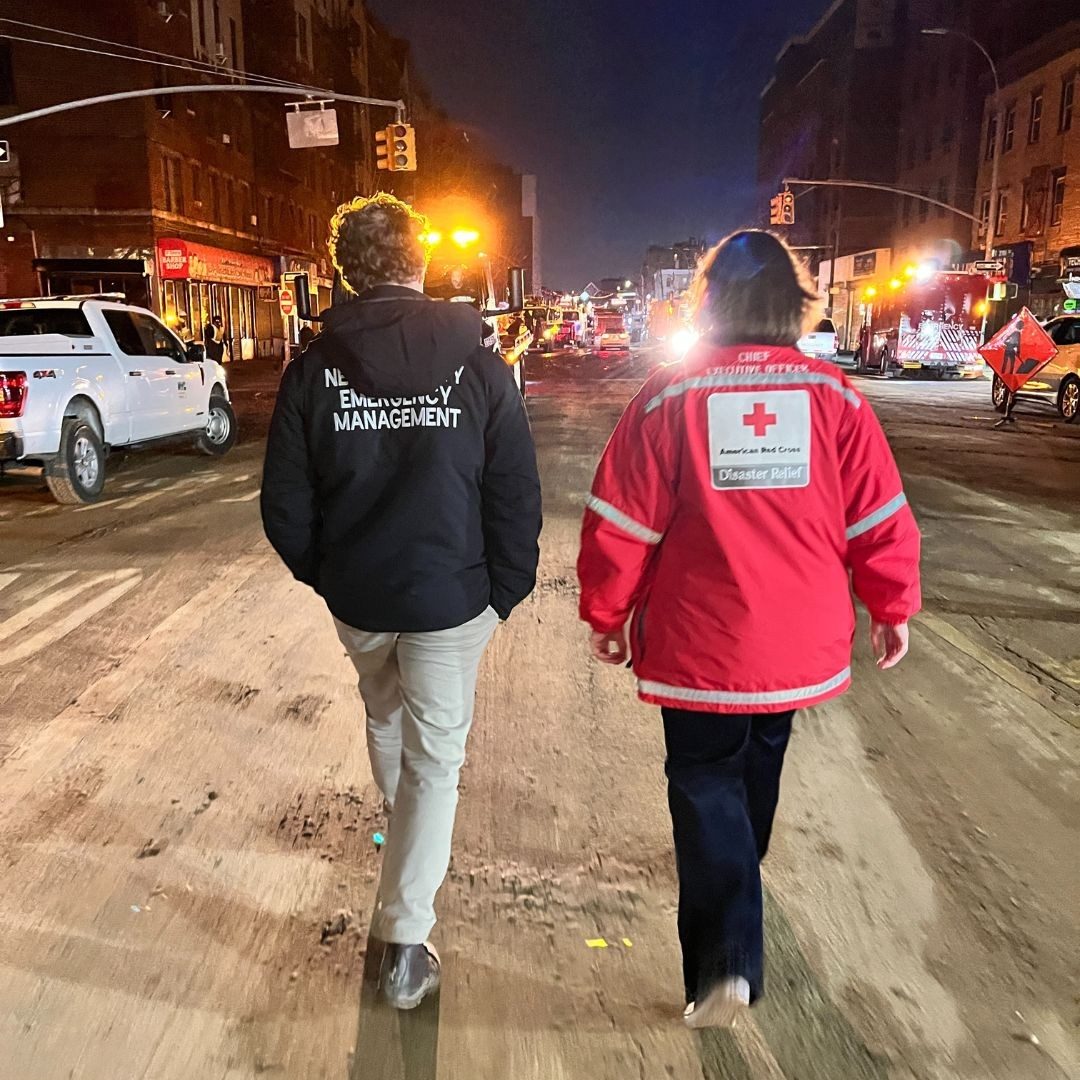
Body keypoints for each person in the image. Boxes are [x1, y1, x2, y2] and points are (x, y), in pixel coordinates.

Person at [577, 229, 921, 1030]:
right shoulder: (836, 399)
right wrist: (891, 605)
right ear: (795, 310)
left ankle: (728, 960)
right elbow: (878, 518)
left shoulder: (669, 397)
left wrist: (607, 612)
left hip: (699, 646)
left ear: (713, 305)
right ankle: (736, 886)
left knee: (704, 789)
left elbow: (621, 522)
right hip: (794, 649)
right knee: (751, 778)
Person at [261, 193, 542, 1011]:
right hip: (452, 600)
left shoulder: (313, 372)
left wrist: (332, 575)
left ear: (347, 273)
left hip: (364, 598)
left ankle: (404, 842)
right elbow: (515, 493)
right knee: (435, 760)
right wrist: (502, 595)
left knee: (389, 721)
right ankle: (404, 940)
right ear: (420, 266)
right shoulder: (480, 367)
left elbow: (286, 504)